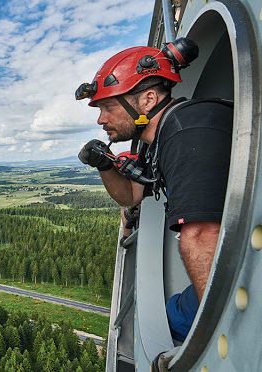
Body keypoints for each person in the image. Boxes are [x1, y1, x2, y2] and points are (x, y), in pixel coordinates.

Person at [74, 39, 233, 344]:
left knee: (169, 329)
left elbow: (201, 236)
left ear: (147, 100)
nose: (100, 119)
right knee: (169, 319)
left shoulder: (188, 131)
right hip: (233, 256)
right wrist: (104, 166)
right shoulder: (157, 140)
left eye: (107, 107)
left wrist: (225, 341)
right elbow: (131, 196)